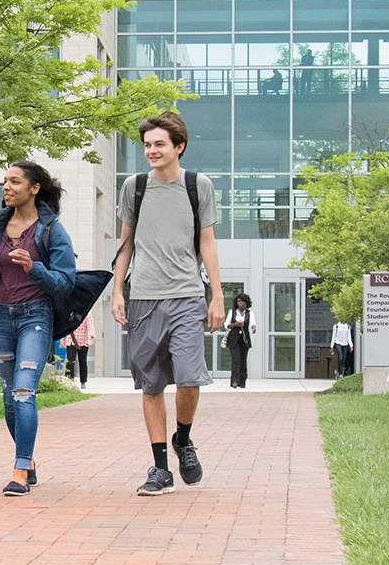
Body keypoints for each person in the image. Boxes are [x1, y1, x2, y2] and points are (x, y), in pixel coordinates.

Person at [111, 110, 224, 496]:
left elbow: (207, 243)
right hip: (143, 296)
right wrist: (116, 293)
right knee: (152, 383)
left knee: (190, 377)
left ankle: (184, 439)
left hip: (188, 295)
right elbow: (125, 243)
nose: (152, 151)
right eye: (147, 145)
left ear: (179, 146)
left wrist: (217, 296)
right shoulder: (134, 187)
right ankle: (160, 468)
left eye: (159, 144)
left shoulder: (198, 186)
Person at [0, 162, 77, 496]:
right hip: (0, 320)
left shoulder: (52, 231)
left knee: (24, 391)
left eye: (14, 181)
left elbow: (67, 281)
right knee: (10, 400)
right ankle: (27, 462)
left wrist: (35, 268)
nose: (6, 187)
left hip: (35, 318)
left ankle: (19, 470)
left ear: (34, 188)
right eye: (4, 182)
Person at [225, 294, 258, 388]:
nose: (240, 303)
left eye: (242, 302)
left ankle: (242, 382)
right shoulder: (232, 312)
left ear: (246, 303)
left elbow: (252, 323)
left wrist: (253, 328)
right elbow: (227, 325)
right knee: (236, 360)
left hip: (244, 339)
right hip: (234, 339)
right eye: (238, 301)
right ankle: (234, 381)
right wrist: (235, 324)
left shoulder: (249, 313)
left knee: (243, 360)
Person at [61, 311, 95, 387]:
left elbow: (90, 327)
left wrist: (90, 339)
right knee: (70, 361)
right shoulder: (69, 313)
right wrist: (62, 339)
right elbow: (64, 327)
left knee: (82, 361)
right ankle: (69, 380)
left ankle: (83, 381)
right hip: (71, 340)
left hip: (83, 340)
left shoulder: (87, 313)